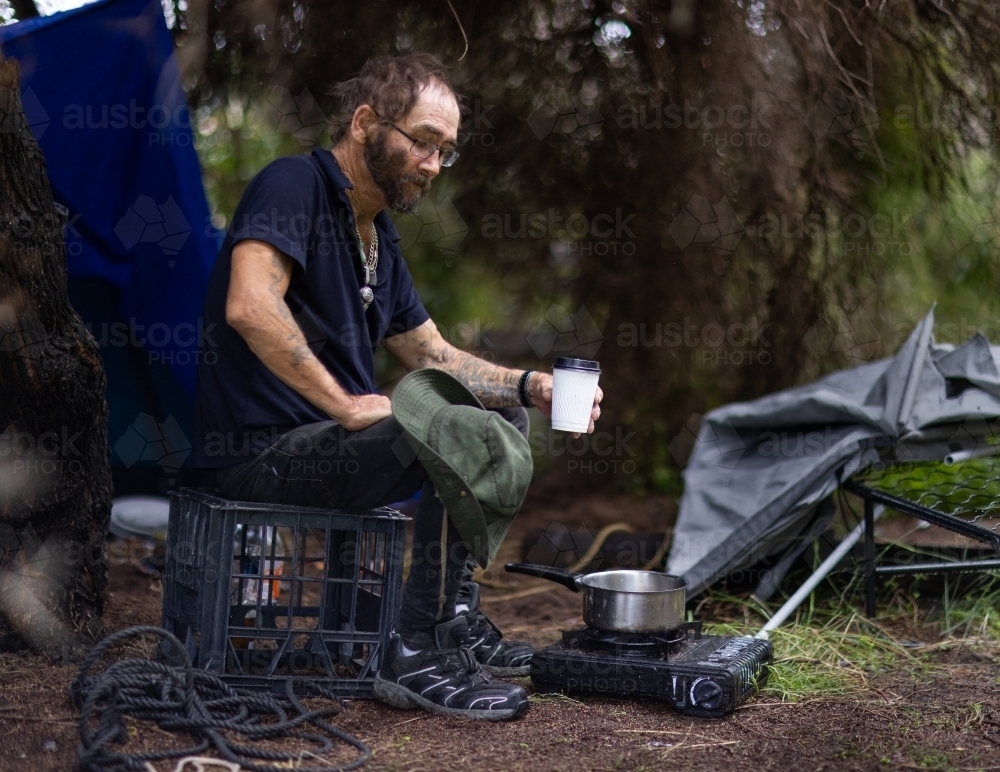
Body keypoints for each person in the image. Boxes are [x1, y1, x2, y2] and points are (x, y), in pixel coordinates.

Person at [193, 53, 602, 720]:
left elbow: (432, 352)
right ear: (364, 123)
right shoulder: (293, 186)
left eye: (446, 151)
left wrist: (532, 386)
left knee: (496, 415)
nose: (434, 164)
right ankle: (414, 654)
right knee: (457, 429)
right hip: (260, 452)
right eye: (423, 141)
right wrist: (347, 403)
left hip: (328, 448)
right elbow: (250, 305)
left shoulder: (377, 234)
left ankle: (454, 620)